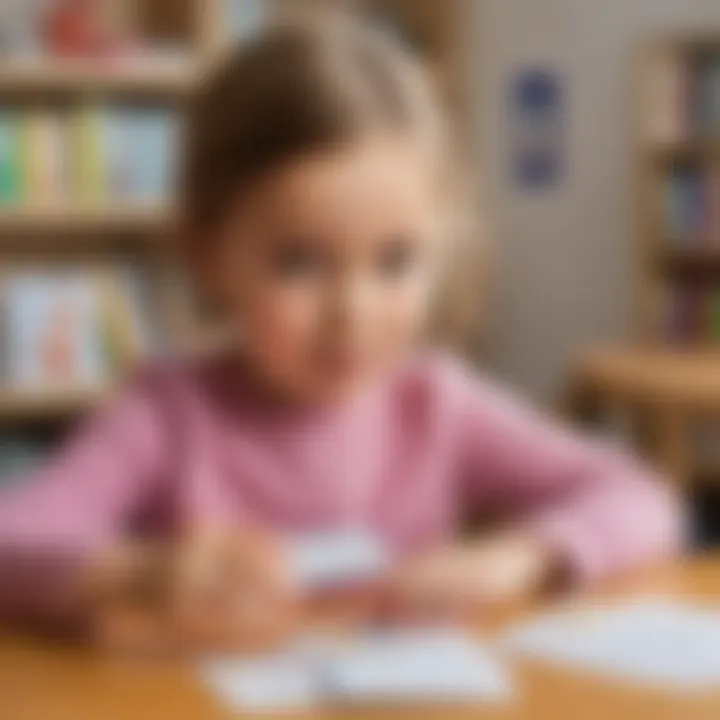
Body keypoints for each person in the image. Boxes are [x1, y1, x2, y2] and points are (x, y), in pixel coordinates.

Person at [0, 16, 684, 649]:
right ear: (207, 255)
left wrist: (520, 558)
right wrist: (140, 574)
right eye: (299, 263)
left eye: (396, 261)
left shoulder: (434, 405)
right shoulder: (167, 413)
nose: (353, 313)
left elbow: (642, 498)